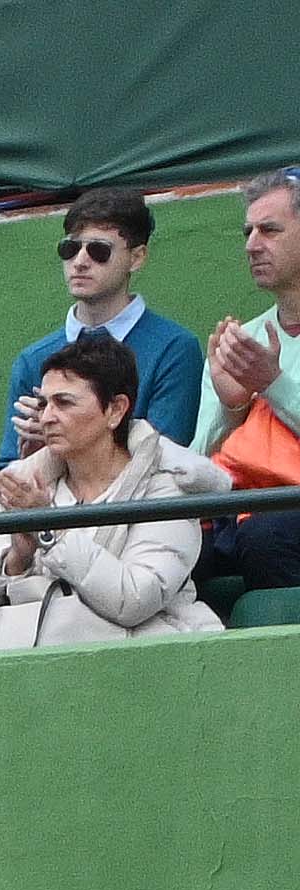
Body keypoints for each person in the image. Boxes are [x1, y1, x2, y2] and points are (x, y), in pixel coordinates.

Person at [0, 337, 221, 652]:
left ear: (115, 410)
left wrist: (50, 530)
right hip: (32, 669)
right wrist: (17, 559)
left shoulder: (166, 488)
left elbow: (135, 600)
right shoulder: (24, 486)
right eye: (43, 404)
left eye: (64, 403)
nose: (47, 417)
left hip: (140, 667)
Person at [9, 189, 204, 458]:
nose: (79, 261)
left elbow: (163, 459)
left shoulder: (174, 348)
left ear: (137, 257)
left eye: (99, 250)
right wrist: (31, 452)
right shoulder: (33, 360)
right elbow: (7, 470)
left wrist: (67, 438)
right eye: (70, 248)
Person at [200, 174, 300, 606]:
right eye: (248, 232)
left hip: (278, 517)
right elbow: (198, 458)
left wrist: (272, 385)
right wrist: (231, 405)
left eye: (270, 230)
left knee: (265, 532)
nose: (252, 244)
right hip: (232, 512)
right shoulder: (244, 339)